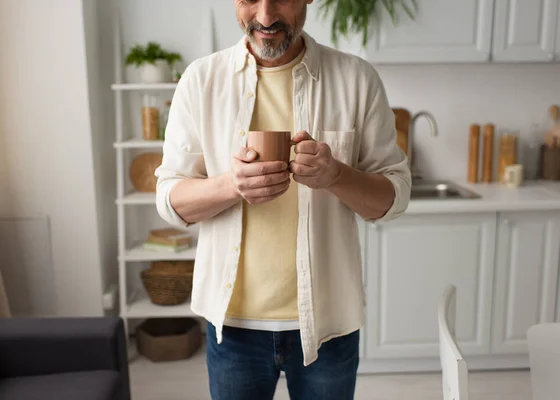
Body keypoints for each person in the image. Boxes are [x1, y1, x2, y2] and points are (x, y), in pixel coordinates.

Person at [155, 1, 411, 398]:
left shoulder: (356, 79)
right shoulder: (201, 80)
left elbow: (393, 199)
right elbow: (170, 201)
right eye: (249, 0)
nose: (265, 16)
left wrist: (336, 175)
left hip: (329, 327)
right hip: (232, 330)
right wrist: (230, 185)